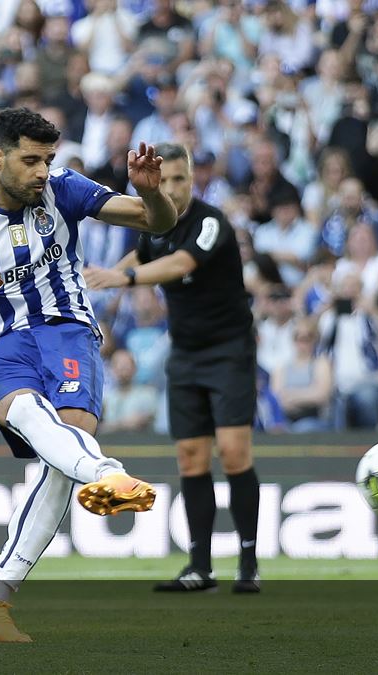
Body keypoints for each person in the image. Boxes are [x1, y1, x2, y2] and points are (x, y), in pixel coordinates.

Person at [0, 108, 176, 642]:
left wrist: (151, 193)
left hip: (68, 331)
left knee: (60, 458)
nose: (42, 171)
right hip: (0, 344)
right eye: (31, 160)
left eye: (48, 160)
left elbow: (156, 222)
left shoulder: (64, 187)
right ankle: (106, 473)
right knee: (38, 420)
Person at [85, 143, 260, 593]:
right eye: (165, 181)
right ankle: (200, 566)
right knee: (190, 459)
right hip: (185, 353)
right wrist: (101, 284)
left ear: (192, 180)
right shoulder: (153, 226)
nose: (174, 189)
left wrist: (120, 279)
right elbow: (138, 259)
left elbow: (180, 264)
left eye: (181, 179)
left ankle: (248, 561)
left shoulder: (210, 222)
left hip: (228, 351)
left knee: (235, 452)